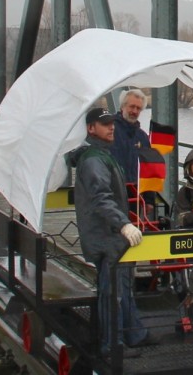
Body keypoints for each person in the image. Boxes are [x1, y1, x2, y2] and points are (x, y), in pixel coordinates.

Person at [65, 106, 157, 355]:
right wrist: (124, 224)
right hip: (107, 235)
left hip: (111, 234)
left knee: (122, 285)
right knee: (112, 291)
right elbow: (101, 198)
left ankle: (134, 333)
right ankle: (112, 345)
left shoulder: (101, 154)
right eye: (104, 124)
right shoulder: (94, 160)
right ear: (90, 128)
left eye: (111, 123)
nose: (111, 127)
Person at [110, 87, 148, 183]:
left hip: (136, 194)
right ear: (122, 106)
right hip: (114, 191)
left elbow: (147, 170)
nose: (135, 111)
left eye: (138, 108)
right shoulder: (109, 131)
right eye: (132, 106)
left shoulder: (143, 137)